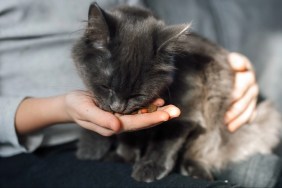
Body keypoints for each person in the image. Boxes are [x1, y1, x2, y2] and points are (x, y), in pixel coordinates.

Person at [0, 0, 280, 187]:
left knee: (268, 173)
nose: (118, 106)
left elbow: (145, 23)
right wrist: (60, 108)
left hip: (169, 124)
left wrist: (226, 64)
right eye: (109, 91)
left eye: (130, 97)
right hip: (41, 148)